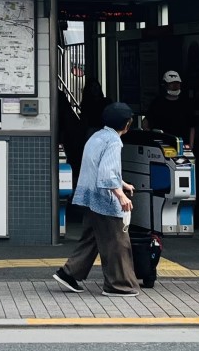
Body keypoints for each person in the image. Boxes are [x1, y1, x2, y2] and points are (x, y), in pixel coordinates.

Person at [51, 102, 140, 298]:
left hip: (89, 195)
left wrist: (122, 183)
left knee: (92, 238)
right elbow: (107, 173)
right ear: (127, 124)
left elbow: (97, 166)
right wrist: (121, 195)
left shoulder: (97, 136)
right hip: (104, 199)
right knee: (117, 242)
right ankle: (118, 285)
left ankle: (68, 273)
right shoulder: (114, 142)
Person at [144, 70, 196, 147]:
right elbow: (146, 121)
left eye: (177, 83)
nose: (175, 86)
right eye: (171, 83)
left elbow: (192, 127)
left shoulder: (186, 103)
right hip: (161, 144)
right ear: (165, 85)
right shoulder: (157, 103)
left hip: (181, 144)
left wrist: (191, 146)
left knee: (184, 160)